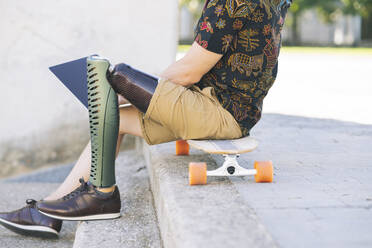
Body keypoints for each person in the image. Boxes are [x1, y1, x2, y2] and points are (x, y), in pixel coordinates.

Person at [0, 0, 291, 238]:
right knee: (113, 117)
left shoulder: (229, 3)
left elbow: (190, 71)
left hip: (217, 111)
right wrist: (125, 99)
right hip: (226, 108)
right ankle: (46, 214)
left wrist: (127, 92)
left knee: (118, 77)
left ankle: (102, 196)